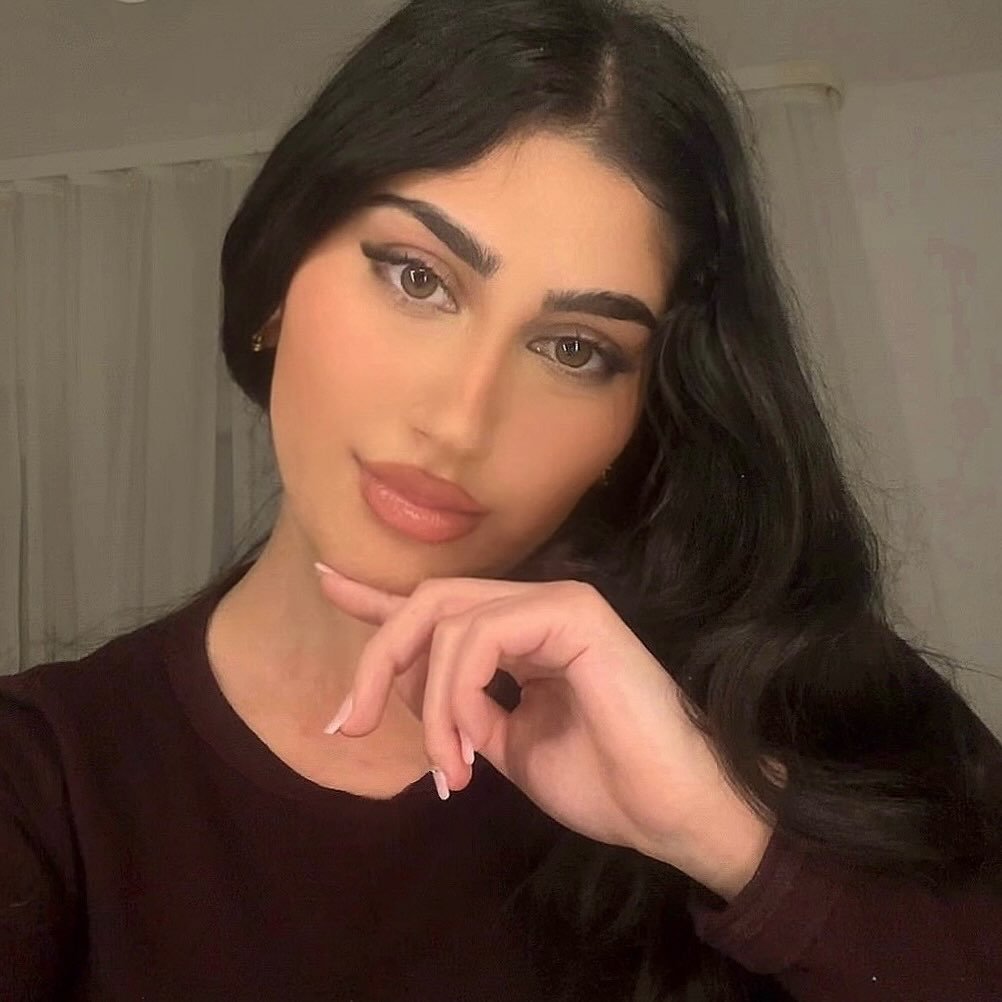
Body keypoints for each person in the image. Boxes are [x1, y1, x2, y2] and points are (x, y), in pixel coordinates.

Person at [3, 0, 1000, 998]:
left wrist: (732, 838)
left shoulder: (810, 706)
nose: (461, 421)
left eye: (573, 349)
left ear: (638, 418)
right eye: (417, 278)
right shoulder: (45, 780)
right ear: (275, 285)